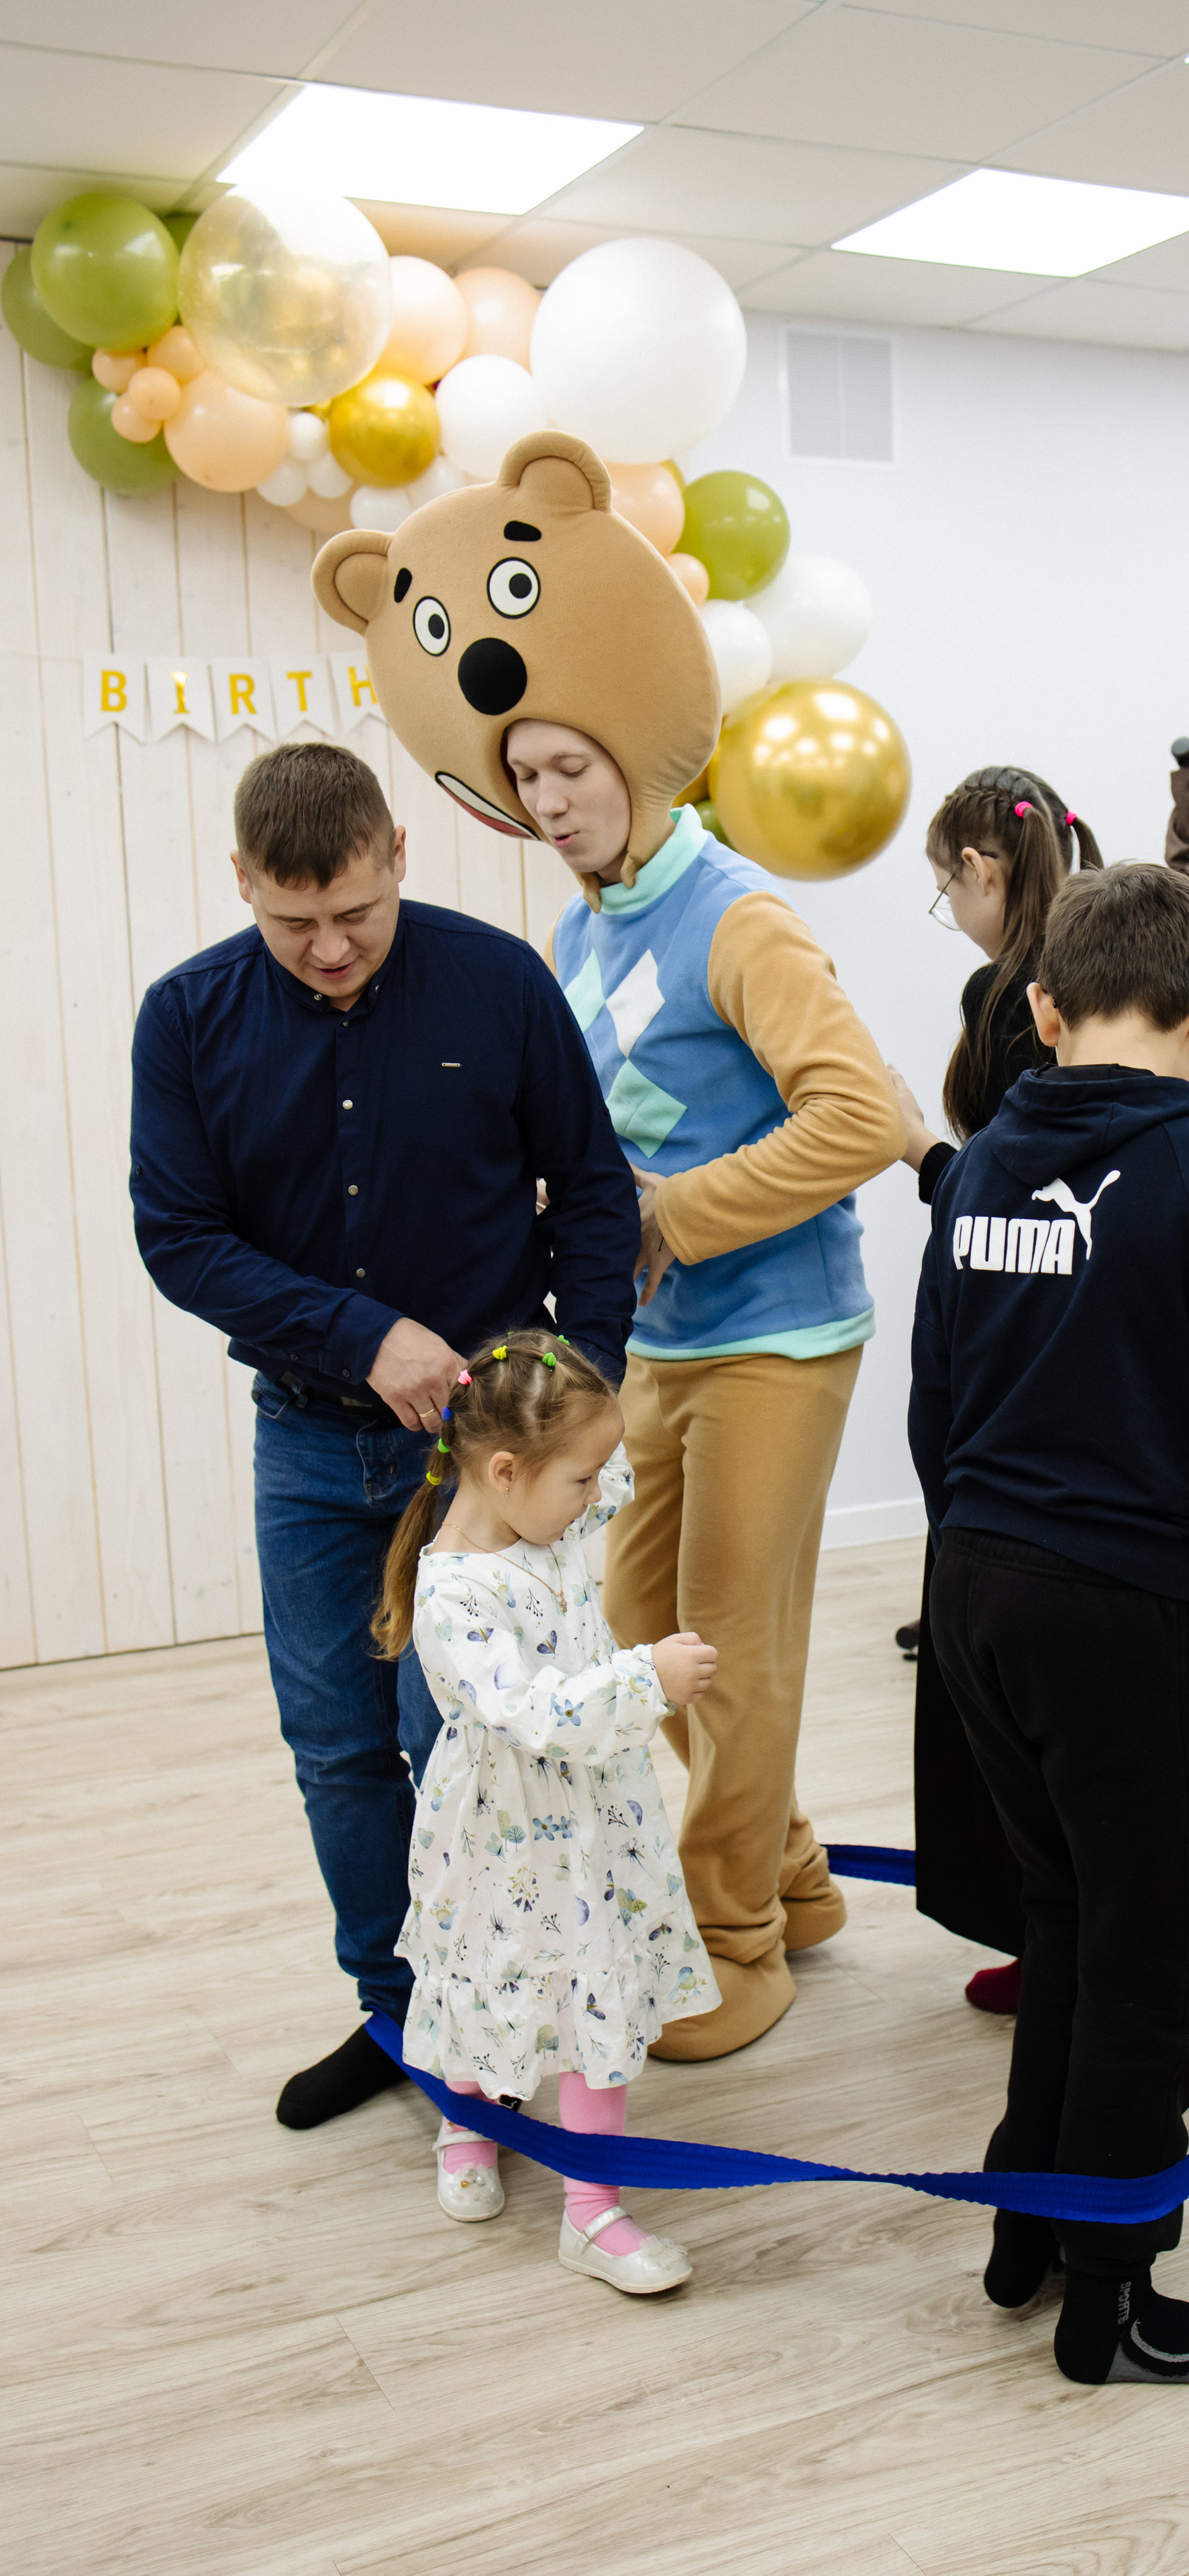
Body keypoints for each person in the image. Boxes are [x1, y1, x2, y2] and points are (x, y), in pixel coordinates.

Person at [314, 431, 904, 2062]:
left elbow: (865, 1115)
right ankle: (788, 1874)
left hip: (781, 1330)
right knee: (634, 1639)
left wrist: (665, 1217)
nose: (547, 799)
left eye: (568, 767)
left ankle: (733, 1945)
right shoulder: (579, 929)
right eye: (523, 780)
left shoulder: (736, 912)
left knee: (727, 1643)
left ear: (632, 750)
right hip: (651, 1355)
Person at [130, 741, 639, 2133]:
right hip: (306, 1440)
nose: (330, 945)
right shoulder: (185, 1021)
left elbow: (592, 1193)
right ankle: (397, 2010)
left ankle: (495, 2012)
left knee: (468, 1743)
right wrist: (360, 1334)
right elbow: (178, 1239)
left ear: (397, 854)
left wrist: (566, 1391)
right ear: (240, 883)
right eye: (291, 923)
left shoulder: (498, 984)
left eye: (353, 910)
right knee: (337, 1747)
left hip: (481, 1462)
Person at [909, 861, 1189, 2387]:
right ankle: (1114, 2304)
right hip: (1117, 1612)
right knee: (1157, 1967)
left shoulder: (973, 1166)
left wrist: (981, 1558)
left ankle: (1026, 2235)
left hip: (973, 1585)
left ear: (1039, 1005)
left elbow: (934, 1405)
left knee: (1064, 1920)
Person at [372, 1327, 717, 2294]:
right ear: (504, 1470)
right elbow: (534, 1713)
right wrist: (648, 1675)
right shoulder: (454, 1593)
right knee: (490, 1974)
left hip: (594, 1822)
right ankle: (468, 2122)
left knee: (593, 1986)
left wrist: (593, 1406)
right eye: (578, 1478)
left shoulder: (548, 1517)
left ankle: (592, 2210)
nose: (595, 1494)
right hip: (505, 1831)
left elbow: (605, 1475)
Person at [888, 767, 1103, 2013]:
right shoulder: (1082, 993)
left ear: (982, 865)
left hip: (1005, 1353)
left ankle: (1051, 1934)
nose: (950, 908)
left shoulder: (1006, 1000)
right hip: (1074, 1353)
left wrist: (918, 1144)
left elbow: (999, 1209)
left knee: (997, 1667)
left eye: (943, 887)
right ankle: (1077, 1926)